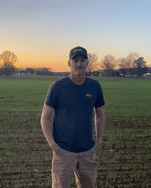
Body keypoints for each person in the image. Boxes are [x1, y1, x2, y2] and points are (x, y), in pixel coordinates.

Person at [40, 46, 106, 188]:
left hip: (87, 151)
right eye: (75, 60)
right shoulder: (57, 87)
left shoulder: (94, 86)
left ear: (87, 63)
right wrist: (53, 144)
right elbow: (45, 117)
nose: (79, 64)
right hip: (63, 151)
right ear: (69, 63)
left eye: (82, 60)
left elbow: (99, 114)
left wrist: (99, 140)